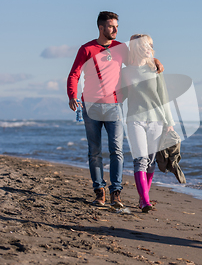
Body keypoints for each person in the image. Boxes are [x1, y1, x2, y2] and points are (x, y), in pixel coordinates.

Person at [67, 12, 163, 208]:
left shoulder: (120, 48)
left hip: (114, 106)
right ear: (101, 28)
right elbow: (74, 74)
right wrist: (72, 95)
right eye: (111, 26)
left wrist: (156, 61)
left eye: (117, 26)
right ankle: (99, 191)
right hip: (91, 107)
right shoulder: (86, 49)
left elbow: (139, 59)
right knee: (94, 152)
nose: (116, 30)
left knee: (116, 151)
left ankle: (116, 192)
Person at [121, 34, 175, 213]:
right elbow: (119, 95)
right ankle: (145, 201)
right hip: (134, 119)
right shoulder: (126, 71)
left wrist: (169, 121)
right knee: (140, 160)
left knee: (151, 162)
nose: (149, 48)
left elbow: (164, 96)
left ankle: (143, 197)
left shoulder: (155, 69)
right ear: (136, 47)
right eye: (145, 45)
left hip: (156, 120)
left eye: (150, 45)